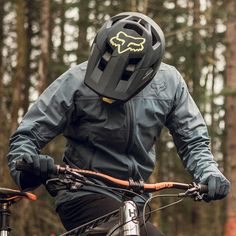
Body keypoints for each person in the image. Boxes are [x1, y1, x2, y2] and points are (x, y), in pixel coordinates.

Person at [7, 12, 230, 236]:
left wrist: (209, 174)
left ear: (149, 69)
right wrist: (29, 167)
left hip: (137, 199)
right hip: (81, 193)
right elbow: (27, 136)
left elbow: (193, 141)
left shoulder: (170, 83)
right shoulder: (74, 81)